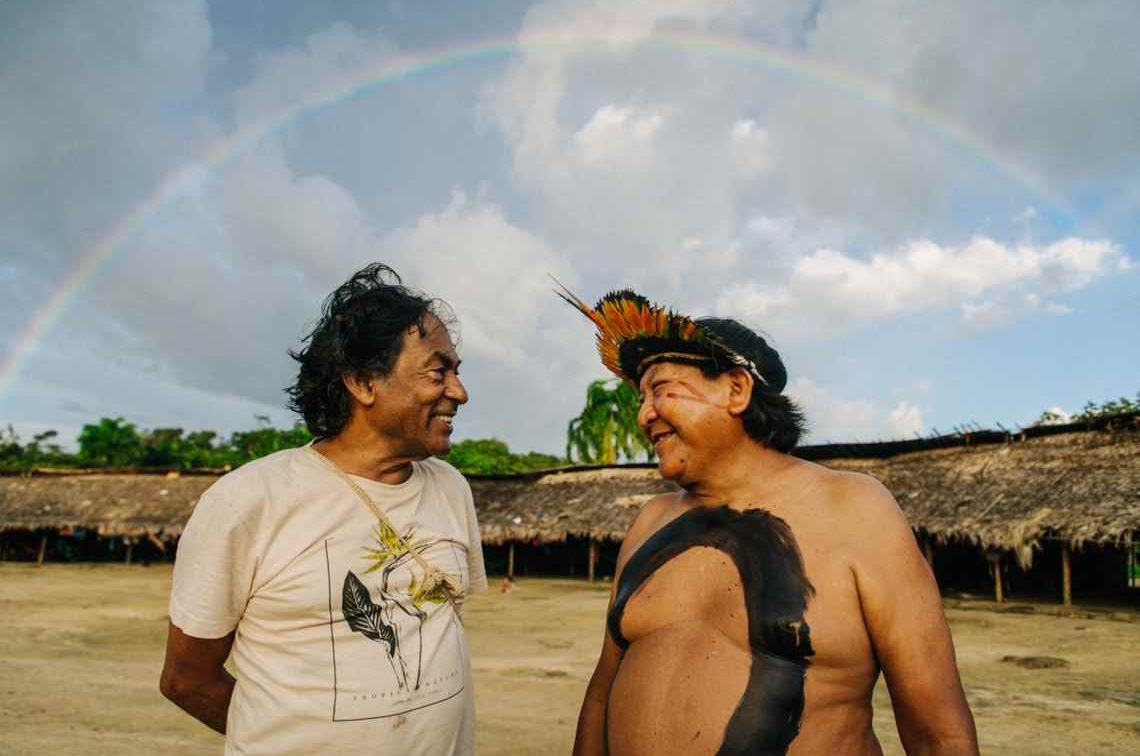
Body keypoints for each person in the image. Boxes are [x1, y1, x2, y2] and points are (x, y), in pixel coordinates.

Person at [559, 286, 978, 756]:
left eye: (660, 389)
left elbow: (939, 734)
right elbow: (601, 693)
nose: (644, 415)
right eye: (641, 397)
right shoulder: (650, 521)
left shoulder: (855, 509)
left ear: (736, 390)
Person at [160, 264, 487, 755]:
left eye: (457, 372)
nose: (459, 392)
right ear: (361, 382)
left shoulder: (451, 489)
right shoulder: (248, 502)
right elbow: (186, 679)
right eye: (438, 372)